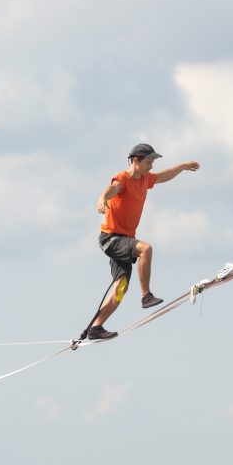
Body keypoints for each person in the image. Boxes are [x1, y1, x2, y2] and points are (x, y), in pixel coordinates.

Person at [81, 143, 200, 341]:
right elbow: (112, 188)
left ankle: (96, 328)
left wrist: (183, 166)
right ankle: (146, 296)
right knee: (145, 249)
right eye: (148, 161)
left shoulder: (145, 179)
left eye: (152, 162)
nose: (151, 165)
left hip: (125, 240)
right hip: (112, 238)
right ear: (135, 161)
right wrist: (102, 199)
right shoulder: (124, 178)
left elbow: (163, 176)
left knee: (121, 287)